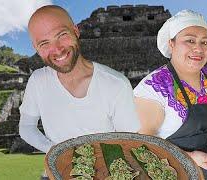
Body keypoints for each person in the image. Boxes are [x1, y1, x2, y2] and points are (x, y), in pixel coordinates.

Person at [133, 10, 207, 179]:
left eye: (205, 42)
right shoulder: (153, 87)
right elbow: (143, 142)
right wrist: (189, 157)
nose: (198, 48)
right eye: (190, 40)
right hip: (171, 169)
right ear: (171, 44)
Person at [19, 5, 140, 155]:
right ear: (36, 48)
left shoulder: (116, 84)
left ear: (76, 31)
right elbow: (26, 126)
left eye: (62, 35)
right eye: (44, 43)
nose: (57, 49)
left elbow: (130, 142)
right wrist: (57, 152)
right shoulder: (38, 81)